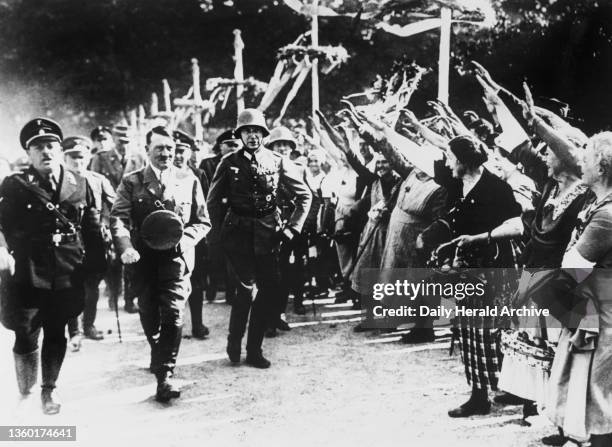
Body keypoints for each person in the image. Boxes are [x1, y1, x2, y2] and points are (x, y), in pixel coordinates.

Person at [0, 118, 101, 414]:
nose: (46, 152)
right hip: (29, 270)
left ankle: (49, 389)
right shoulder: (15, 185)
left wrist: (96, 267)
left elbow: (91, 228)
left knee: (57, 330)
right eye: (38, 147)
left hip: (67, 269)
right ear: (29, 154)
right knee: (26, 330)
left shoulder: (80, 182)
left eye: (51, 146)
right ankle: (27, 385)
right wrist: (4, 252)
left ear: (60, 150)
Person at [110, 126, 210, 402]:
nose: (166, 153)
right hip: (142, 261)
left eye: (170, 148)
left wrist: (183, 241)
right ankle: (159, 354)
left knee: (173, 314)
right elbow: (118, 218)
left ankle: (165, 375)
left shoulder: (188, 180)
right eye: (159, 148)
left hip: (176, 261)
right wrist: (126, 247)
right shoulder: (132, 182)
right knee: (149, 315)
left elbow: (202, 221)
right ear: (147, 151)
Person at [207, 109, 311, 368]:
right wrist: (217, 236)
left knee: (268, 291)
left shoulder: (277, 160)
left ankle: (254, 349)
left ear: (264, 134)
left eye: (256, 131)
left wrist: (292, 228)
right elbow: (211, 203)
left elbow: (304, 196)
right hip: (238, 235)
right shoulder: (228, 162)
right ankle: (234, 341)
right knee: (244, 291)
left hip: (269, 236)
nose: (252, 136)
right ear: (240, 134)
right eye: (246, 131)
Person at [544, 132, 612, 447]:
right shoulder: (597, 202)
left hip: (604, 313)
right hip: (595, 305)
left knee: (599, 394)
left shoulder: (607, 216)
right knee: (592, 390)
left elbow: (573, 267)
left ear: (602, 169)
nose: (579, 164)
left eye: (585, 160)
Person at [63, 136, 117, 350]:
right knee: (71, 283)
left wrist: (107, 225)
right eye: (73, 157)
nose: (78, 161)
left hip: (94, 236)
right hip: (69, 238)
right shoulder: (59, 181)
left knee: (92, 282)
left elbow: (115, 208)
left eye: (81, 156)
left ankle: (89, 325)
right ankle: (73, 330)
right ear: (65, 157)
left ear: (88, 157)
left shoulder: (98, 179)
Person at [90, 123, 146, 314]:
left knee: (132, 256)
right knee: (112, 260)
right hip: (108, 215)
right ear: (113, 140)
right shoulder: (101, 158)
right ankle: (114, 296)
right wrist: (100, 218)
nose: (124, 145)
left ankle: (130, 300)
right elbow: (94, 187)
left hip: (133, 215)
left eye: (127, 141)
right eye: (121, 141)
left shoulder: (139, 158)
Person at [173, 129, 210, 339]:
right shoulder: (165, 175)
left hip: (194, 238)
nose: (179, 156)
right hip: (169, 237)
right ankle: (173, 328)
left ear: (190, 152)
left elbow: (204, 209)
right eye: (176, 151)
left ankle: (198, 324)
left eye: (183, 151)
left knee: (196, 281)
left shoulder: (198, 174)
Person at [199, 129, 241, 303]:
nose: (232, 148)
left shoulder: (242, 162)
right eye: (229, 145)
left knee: (233, 255)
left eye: (235, 145)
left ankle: (231, 294)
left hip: (234, 215)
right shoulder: (208, 164)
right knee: (214, 254)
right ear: (220, 146)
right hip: (214, 215)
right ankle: (211, 290)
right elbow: (205, 190)